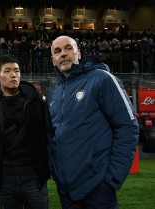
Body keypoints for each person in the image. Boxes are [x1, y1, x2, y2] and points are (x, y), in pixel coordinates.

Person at [45, 35, 139, 209]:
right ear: (53, 60)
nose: (63, 54)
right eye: (57, 51)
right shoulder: (53, 94)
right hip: (67, 191)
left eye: (68, 48)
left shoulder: (101, 79)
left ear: (78, 53)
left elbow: (127, 126)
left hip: (99, 188)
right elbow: (52, 138)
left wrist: (112, 178)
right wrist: (57, 174)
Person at [0, 54, 50, 209]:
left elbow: (48, 131)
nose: (13, 74)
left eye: (16, 70)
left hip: (34, 177)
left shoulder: (35, 99)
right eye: (7, 71)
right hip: (5, 179)